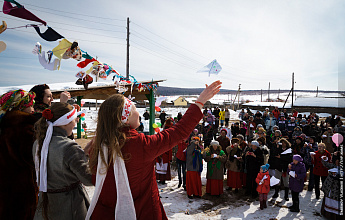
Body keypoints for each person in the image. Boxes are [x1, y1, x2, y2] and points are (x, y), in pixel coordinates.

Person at [87, 81, 222, 220]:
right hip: (142, 213)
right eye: (134, 108)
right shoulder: (139, 144)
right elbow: (178, 132)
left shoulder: (98, 145)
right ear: (125, 119)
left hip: (104, 214)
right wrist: (200, 102)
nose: (138, 112)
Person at [33, 102, 93, 220]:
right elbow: (89, 179)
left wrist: (83, 153)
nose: (75, 124)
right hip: (69, 207)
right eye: (74, 121)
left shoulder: (38, 143)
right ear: (65, 123)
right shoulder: (69, 147)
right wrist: (92, 157)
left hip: (46, 205)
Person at [0, 90, 37, 219]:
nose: (33, 108)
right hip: (22, 188)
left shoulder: (4, 126)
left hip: (5, 185)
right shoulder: (24, 129)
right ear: (20, 106)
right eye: (30, 105)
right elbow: (33, 158)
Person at [320, 152, 342, 219]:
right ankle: (327, 213)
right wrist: (324, 159)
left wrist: (339, 176)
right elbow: (326, 164)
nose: (338, 162)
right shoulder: (333, 166)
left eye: (339, 161)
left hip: (337, 189)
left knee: (336, 201)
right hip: (330, 186)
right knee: (328, 199)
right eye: (336, 161)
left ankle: (335, 216)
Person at [156, 119, 174, 184]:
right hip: (164, 153)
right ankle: (162, 179)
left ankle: (161, 179)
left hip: (162, 153)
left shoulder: (163, 133)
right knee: (163, 166)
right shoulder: (169, 134)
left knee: (161, 166)